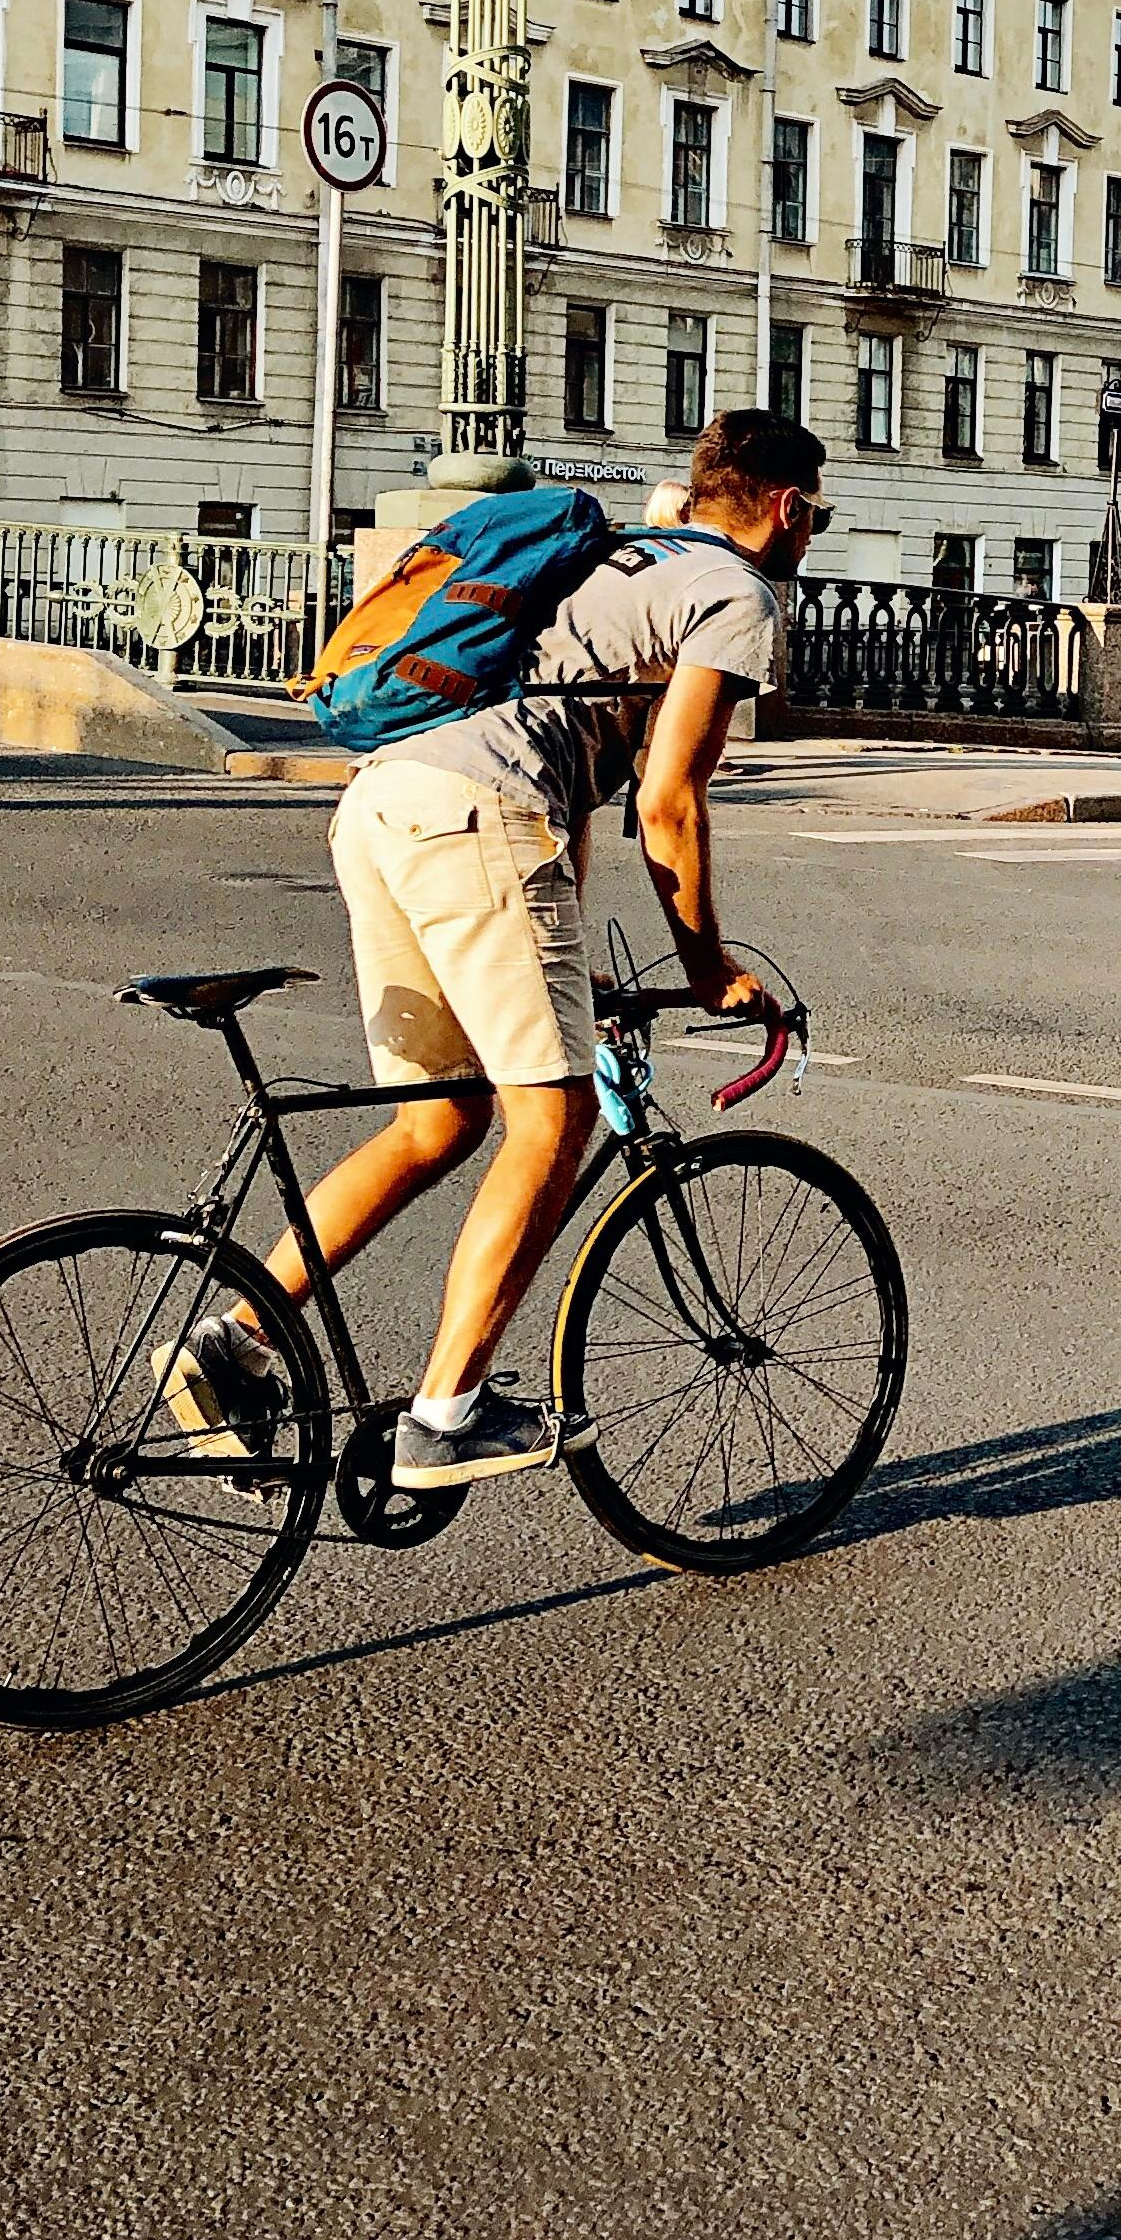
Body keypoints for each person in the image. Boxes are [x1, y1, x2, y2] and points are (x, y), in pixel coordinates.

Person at [162, 407, 827, 1489]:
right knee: (552, 1120)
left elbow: (559, 767)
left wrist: (561, 951)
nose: (811, 536)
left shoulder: (616, 559)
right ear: (788, 508)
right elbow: (668, 799)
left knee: (438, 1121)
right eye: (818, 518)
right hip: (476, 817)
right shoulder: (734, 592)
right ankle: (447, 1415)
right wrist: (707, 967)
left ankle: (233, 1342)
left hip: (386, 803)